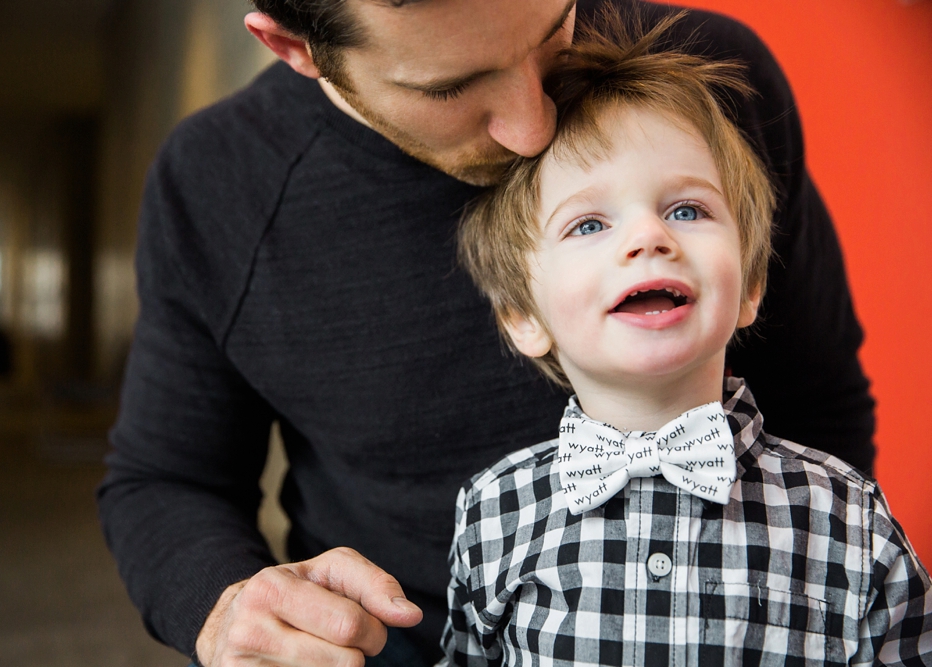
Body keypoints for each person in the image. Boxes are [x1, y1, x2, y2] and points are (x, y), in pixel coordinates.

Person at [96, 0, 876, 665]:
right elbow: (165, 479)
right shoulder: (218, 183)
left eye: (555, 31)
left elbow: (820, 399)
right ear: (295, 48)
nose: (535, 127)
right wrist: (226, 601)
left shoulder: (705, 74)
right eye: (451, 87)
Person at [441, 15, 931, 666]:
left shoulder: (851, 520)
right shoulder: (491, 515)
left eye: (686, 210)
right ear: (523, 314)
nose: (649, 238)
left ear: (752, 284)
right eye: (589, 223)